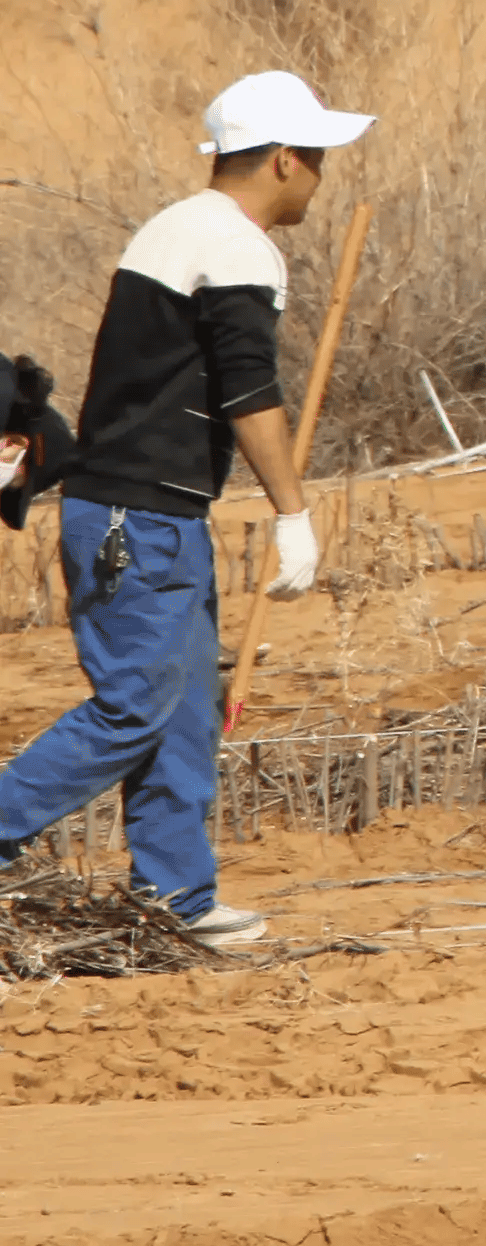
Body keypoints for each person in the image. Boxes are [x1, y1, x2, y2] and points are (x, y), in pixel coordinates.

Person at [0, 70, 363, 948]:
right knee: (138, 704)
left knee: (186, 708)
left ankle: (177, 899)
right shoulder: (236, 247)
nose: (319, 176)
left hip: (148, 513)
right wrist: (291, 513)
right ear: (283, 160)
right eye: (315, 158)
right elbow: (250, 392)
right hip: (139, 521)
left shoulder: (173, 227)